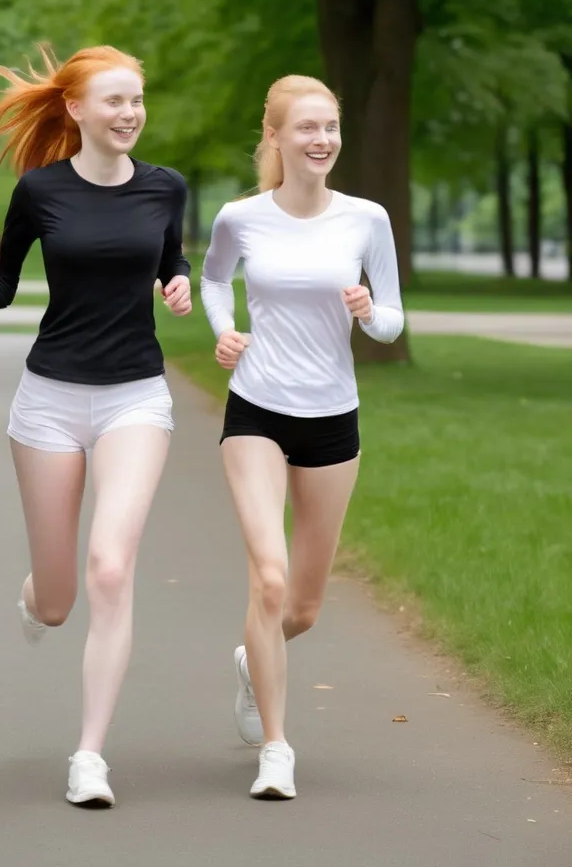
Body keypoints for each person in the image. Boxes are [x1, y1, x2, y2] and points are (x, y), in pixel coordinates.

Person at [0, 43, 193, 808]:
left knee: (111, 567)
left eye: (137, 100)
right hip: (49, 401)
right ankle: (38, 592)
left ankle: (89, 757)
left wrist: (178, 284)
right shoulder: (39, 192)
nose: (130, 113)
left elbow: (171, 260)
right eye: (114, 101)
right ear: (75, 109)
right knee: (61, 599)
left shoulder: (167, 188)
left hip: (136, 396)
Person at [199, 74, 404, 801]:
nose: (322, 140)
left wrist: (368, 309)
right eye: (307, 128)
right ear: (277, 138)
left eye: (330, 127)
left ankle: (251, 657)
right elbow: (214, 280)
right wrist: (224, 334)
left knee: (304, 609)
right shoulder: (240, 218)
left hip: (332, 415)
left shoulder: (366, 219)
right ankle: (278, 749)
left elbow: (392, 323)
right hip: (256, 408)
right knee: (271, 576)